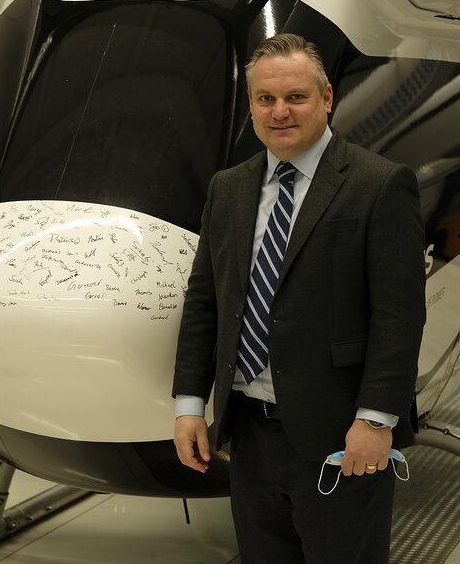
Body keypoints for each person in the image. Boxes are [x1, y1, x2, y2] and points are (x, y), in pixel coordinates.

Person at [172, 33, 425, 564]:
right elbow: (205, 302)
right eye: (265, 99)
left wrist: (376, 421)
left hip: (341, 434)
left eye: (296, 97)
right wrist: (190, 405)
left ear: (327, 98)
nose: (279, 111)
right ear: (251, 106)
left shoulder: (379, 185)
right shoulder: (228, 189)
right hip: (250, 434)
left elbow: (398, 318)